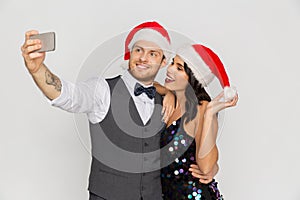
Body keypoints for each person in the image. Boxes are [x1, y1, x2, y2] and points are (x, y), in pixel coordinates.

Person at [21, 21, 214, 200]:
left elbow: (191, 144)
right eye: (138, 50)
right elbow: (67, 95)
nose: (143, 58)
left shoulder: (166, 100)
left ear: (163, 62)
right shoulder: (101, 91)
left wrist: (212, 168)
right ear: (129, 54)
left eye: (153, 54)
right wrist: (37, 69)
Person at [156, 44, 238, 199]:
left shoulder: (202, 108)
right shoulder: (168, 100)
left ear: (193, 79)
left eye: (179, 68)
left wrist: (209, 114)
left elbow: (206, 167)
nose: (170, 69)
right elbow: (143, 83)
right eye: (173, 63)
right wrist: (166, 91)